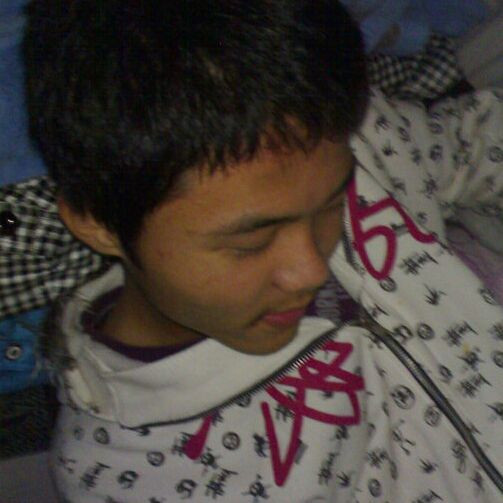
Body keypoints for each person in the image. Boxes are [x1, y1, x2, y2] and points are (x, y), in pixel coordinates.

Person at [23, 1, 503, 501]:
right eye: (250, 243)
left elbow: (473, 144)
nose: (311, 270)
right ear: (98, 222)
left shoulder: (333, 134)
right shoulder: (130, 476)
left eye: (333, 203)